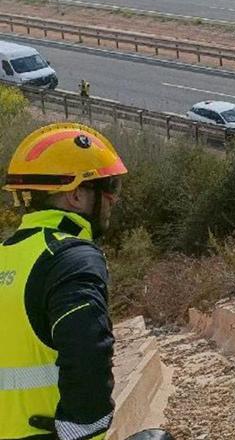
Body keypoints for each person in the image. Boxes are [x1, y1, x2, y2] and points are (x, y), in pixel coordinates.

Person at [1, 123, 127, 438]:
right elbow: (88, 354)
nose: (112, 199)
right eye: (108, 186)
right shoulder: (71, 259)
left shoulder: (7, 255)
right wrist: (81, 430)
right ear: (75, 195)